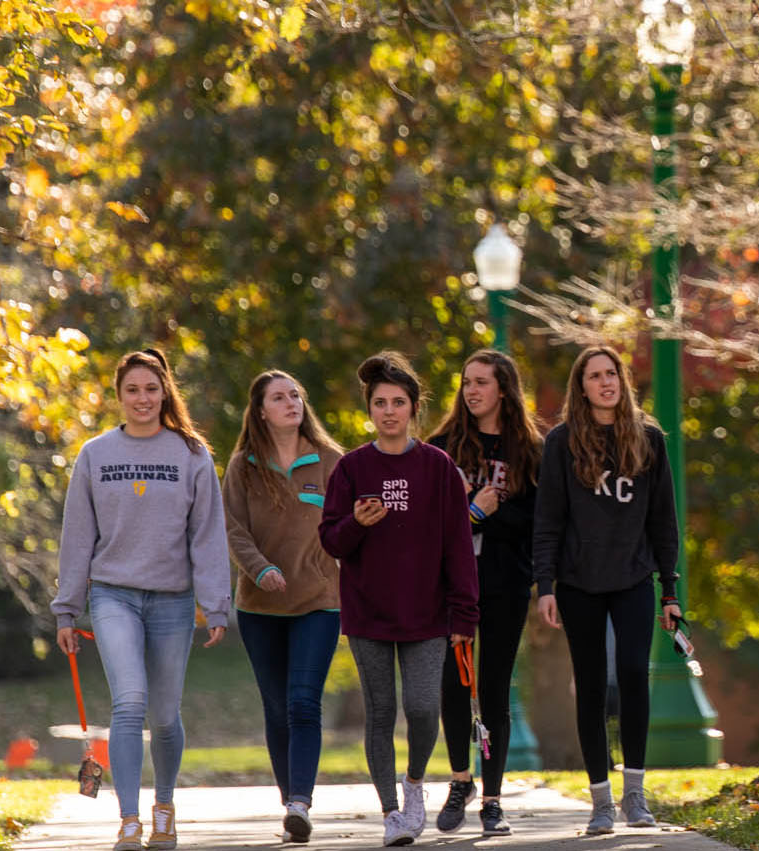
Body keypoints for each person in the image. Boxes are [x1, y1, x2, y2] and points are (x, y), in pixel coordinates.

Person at [52, 348, 232, 851]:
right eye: (132, 390)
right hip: (114, 596)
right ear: (119, 396)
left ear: (165, 392)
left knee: (165, 716)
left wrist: (217, 602)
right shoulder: (95, 454)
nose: (142, 398)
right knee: (129, 703)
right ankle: (129, 819)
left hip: (173, 601)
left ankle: (164, 807)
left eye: (151, 389)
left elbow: (207, 535)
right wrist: (67, 607)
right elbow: (78, 536)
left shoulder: (191, 454)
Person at [319, 351, 479, 847]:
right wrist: (356, 524)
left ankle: (414, 786)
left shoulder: (438, 468)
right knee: (381, 712)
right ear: (370, 409)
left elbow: (458, 546)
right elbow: (330, 540)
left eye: (399, 402)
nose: (389, 411)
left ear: (414, 408)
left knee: (424, 708)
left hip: (428, 613)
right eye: (381, 402)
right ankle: (391, 813)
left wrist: (464, 614)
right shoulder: (350, 469)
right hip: (368, 612)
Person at [532, 344, 682, 835]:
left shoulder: (649, 439)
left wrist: (669, 589)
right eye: (594, 375)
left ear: (622, 380)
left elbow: (664, 521)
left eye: (611, 373)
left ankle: (635, 795)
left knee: (635, 675)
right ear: (582, 387)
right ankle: (600, 799)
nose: (605, 382)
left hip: (634, 579)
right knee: (592, 685)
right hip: (578, 582)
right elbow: (548, 520)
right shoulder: (561, 442)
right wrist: (546, 585)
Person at [222, 370, 344, 845]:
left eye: (296, 393)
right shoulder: (243, 466)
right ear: (260, 411)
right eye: (279, 397)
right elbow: (233, 530)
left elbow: (346, 527)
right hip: (259, 607)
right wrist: (260, 569)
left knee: (302, 702)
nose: (291, 402)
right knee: (276, 707)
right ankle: (289, 798)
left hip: (319, 601)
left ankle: (301, 803)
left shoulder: (331, 461)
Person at [427, 349, 542, 836]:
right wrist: (473, 511)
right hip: (452, 586)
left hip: (506, 584)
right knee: (454, 685)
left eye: (482, 383)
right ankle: (460, 782)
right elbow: (430, 521)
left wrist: (493, 514)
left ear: (504, 390)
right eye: (466, 382)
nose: (472, 391)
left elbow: (539, 524)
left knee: (494, 689)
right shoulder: (441, 446)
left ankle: (492, 800)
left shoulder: (530, 451)